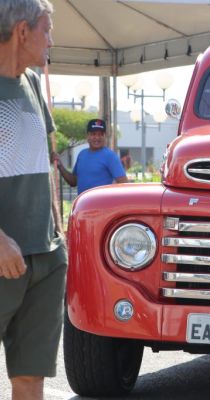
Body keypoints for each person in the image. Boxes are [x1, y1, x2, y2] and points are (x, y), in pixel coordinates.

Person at [0, 1, 68, 399]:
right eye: (47, 29)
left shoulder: (33, 83)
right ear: (22, 31)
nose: (51, 40)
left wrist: (57, 238)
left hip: (44, 258)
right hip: (3, 254)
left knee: (30, 378)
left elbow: (44, 160)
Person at [53, 118, 128, 194]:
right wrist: (60, 166)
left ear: (105, 136)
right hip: (83, 204)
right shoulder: (82, 155)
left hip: (102, 204)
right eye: (93, 134)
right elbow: (73, 182)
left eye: (100, 134)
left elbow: (123, 184)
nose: (97, 138)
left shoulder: (110, 156)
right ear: (88, 136)